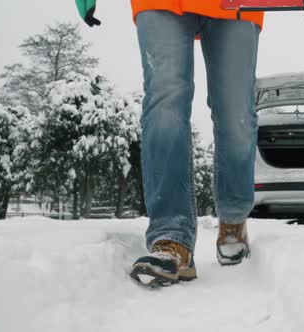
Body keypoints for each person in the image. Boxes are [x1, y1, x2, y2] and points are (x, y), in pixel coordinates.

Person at [75, 0, 263, 287]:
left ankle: (234, 218)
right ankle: (170, 235)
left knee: (235, 110)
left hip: (235, 4)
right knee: (164, 103)